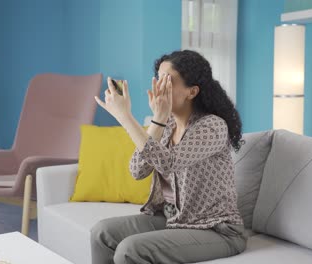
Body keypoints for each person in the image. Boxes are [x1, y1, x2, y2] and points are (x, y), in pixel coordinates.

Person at [91, 50, 246, 264]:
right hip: (173, 219)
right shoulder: (168, 124)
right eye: (158, 79)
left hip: (216, 230)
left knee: (130, 249)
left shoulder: (212, 126)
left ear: (192, 92)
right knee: (102, 233)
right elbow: (137, 170)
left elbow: (169, 162)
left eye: (168, 81)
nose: (159, 87)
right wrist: (158, 120)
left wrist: (125, 117)